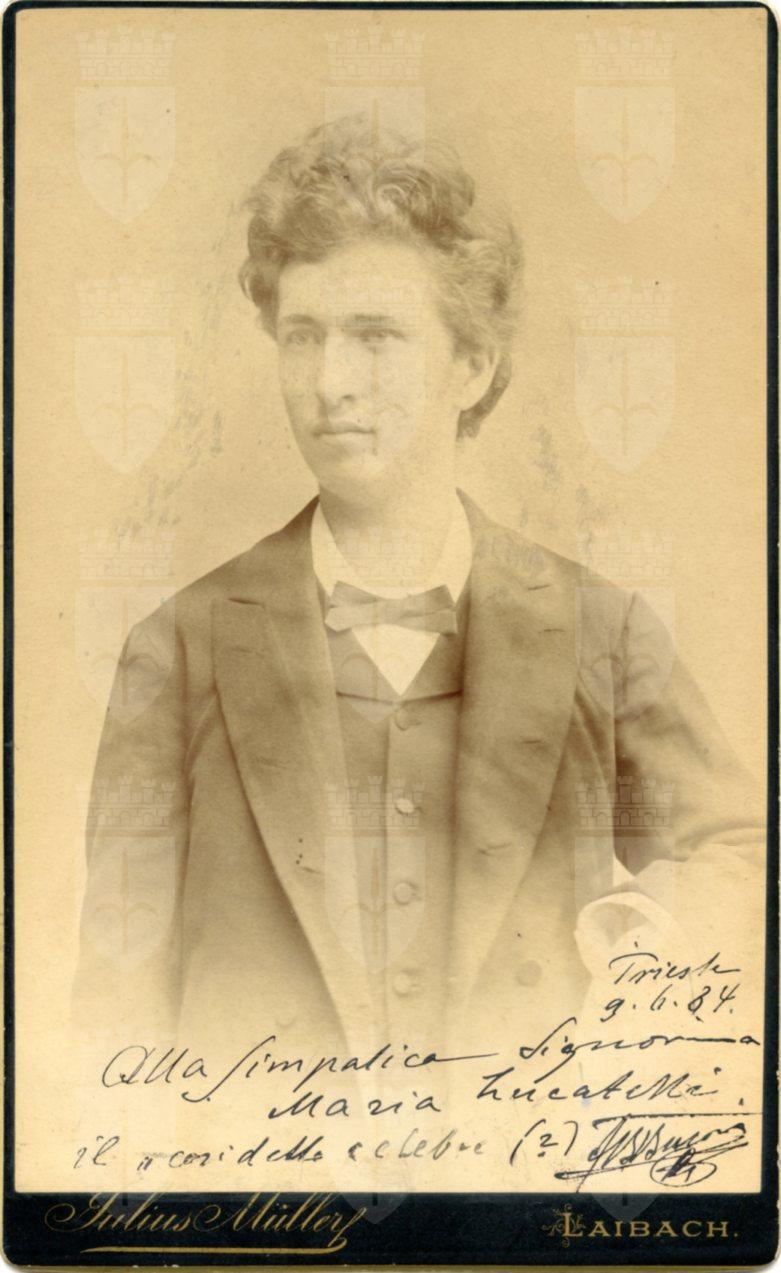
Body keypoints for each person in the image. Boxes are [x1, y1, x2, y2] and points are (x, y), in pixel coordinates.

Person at [73, 115, 763, 1061]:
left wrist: (645, 949)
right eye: (302, 336)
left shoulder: (598, 629)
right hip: (261, 1144)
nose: (329, 381)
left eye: (375, 336)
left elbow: (741, 852)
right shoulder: (177, 648)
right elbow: (112, 1005)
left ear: (471, 366)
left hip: (515, 1138)